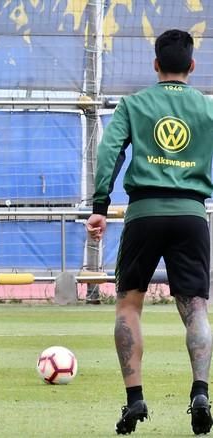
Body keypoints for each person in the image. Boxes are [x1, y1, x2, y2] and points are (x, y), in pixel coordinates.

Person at [86, 29, 213, 435]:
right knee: (195, 308)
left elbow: (109, 153)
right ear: (192, 66)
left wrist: (100, 207)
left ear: (155, 65)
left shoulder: (134, 104)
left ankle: (135, 399)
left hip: (144, 214)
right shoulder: (208, 109)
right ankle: (200, 391)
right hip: (192, 214)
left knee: (128, 305)